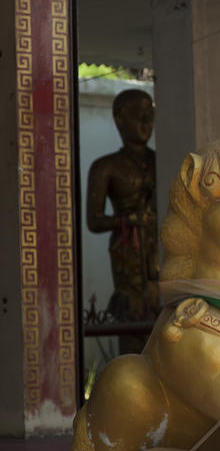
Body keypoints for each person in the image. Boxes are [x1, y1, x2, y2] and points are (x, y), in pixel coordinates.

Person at [86, 90, 159, 345]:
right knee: (133, 317)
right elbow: (94, 221)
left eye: (150, 115)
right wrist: (129, 220)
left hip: (159, 251)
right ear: (119, 119)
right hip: (128, 252)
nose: (146, 122)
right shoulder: (105, 167)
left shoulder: (161, 161)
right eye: (139, 115)